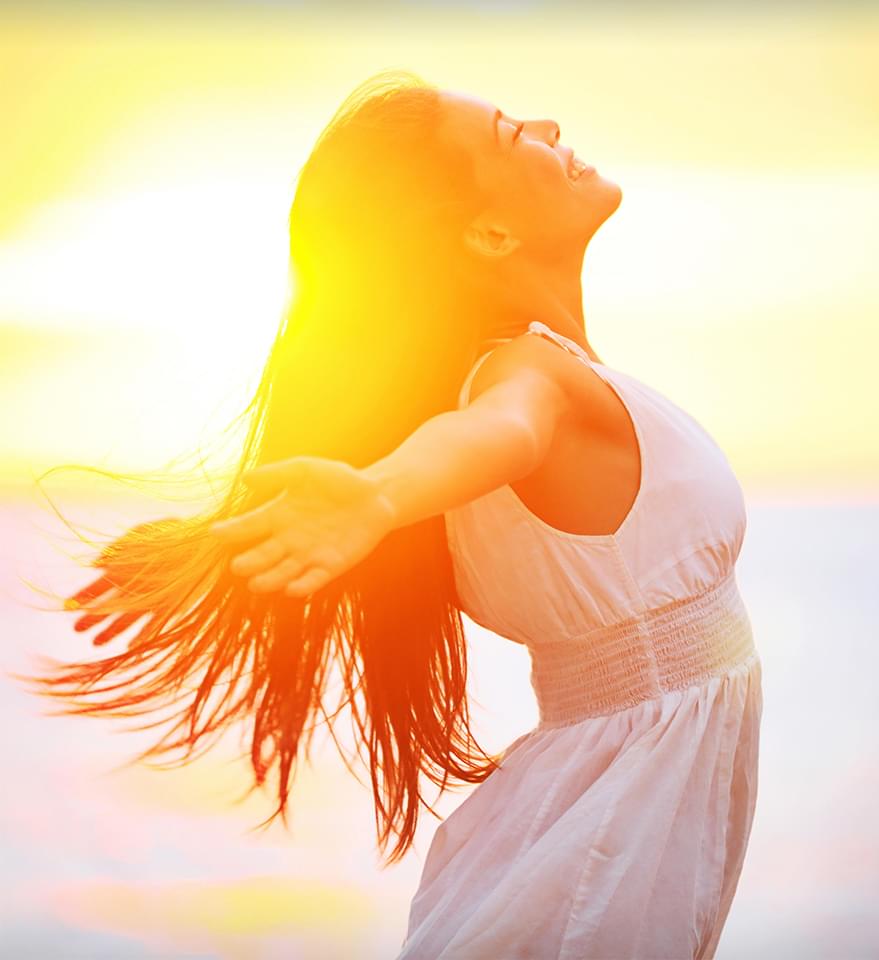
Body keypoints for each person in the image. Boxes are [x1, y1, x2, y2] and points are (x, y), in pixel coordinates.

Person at [25, 68, 762, 958]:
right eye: (509, 133)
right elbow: (501, 432)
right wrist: (377, 495)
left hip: (597, 822)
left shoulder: (518, 381)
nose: (548, 121)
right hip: (600, 844)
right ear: (490, 232)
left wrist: (240, 550)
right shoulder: (528, 381)